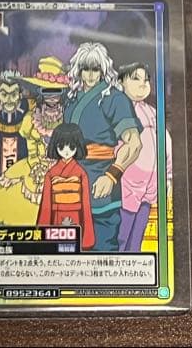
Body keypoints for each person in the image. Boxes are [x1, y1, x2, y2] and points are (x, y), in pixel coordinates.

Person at [62, 43, 142, 251]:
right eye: (85, 69)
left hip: (101, 184)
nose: (90, 75)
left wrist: (112, 175)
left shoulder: (114, 99)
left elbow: (134, 143)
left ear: (103, 69)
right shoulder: (70, 98)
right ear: (78, 70)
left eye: (95, 69)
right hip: (70, 186)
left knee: (102, 248)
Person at [0, 58, 67, 226]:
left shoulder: (68, 117)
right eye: (47, 92)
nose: (51, 98)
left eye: (56, 92)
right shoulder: (30, 119)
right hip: (34, 166)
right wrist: (38, 167)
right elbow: (32, 149)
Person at [116, 63, 172, 252]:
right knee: (121, 236)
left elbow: (166, 143)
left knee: (137, 238)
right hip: (126, 186)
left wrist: (168, 174)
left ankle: (134, 268)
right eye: (135, 79)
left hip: (150, 186)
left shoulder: (152, 112)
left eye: (146, 80)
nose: (142, 84)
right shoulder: (117, 110)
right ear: (121, 82)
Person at [37, 122, 95, 250]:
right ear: (55, 146)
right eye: (61, 146)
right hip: (56, 216)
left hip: (76, 215)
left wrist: (87, 236)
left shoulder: (81, 173)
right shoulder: (51, 173)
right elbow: (46, 204)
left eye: (72, 146)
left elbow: (85, 205)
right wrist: (42, 232)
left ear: (78, 147)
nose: (66, 151)